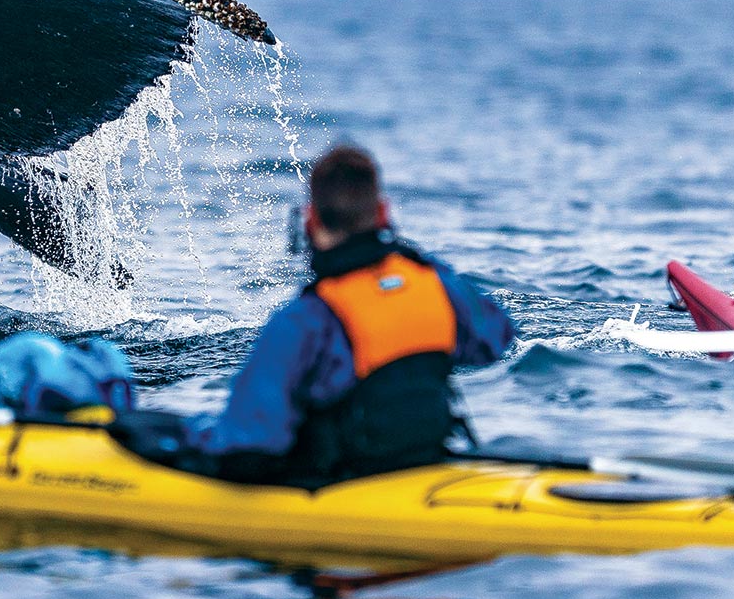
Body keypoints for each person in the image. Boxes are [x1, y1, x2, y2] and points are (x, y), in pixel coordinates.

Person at [172, 143, 516, 486]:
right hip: (424, 461)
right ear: (383, 213)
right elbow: (496, 338)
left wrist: (190, 434)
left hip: (343, 482)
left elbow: (249, 443)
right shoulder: (439, 285)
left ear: (310, 220)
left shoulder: (305, 319)